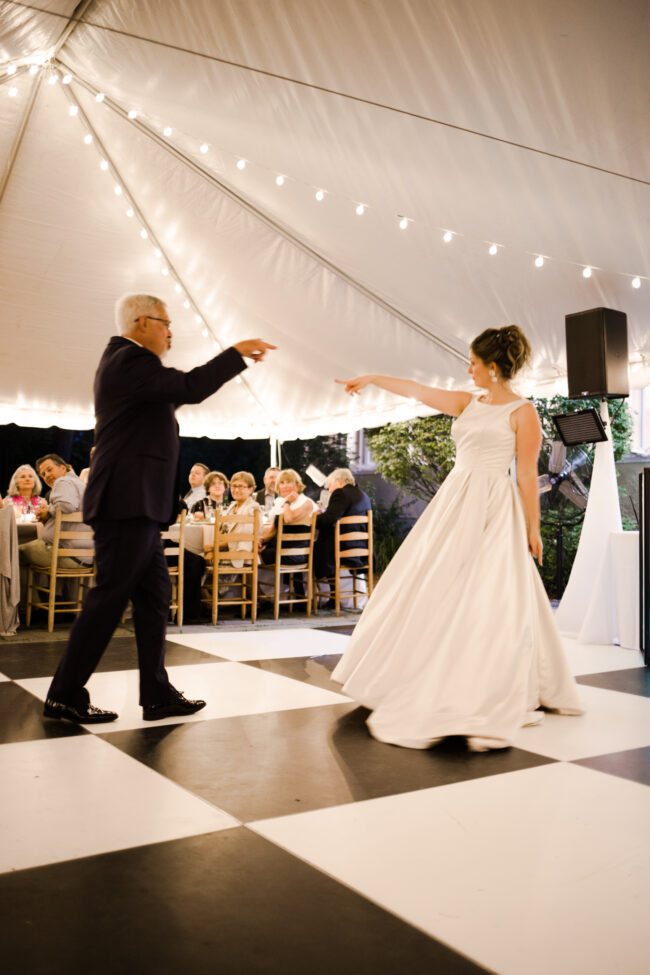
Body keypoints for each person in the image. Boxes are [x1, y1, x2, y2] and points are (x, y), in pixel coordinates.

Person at [331, 324, 583, 752]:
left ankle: (482, 681)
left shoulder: (523, 412)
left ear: (493, 367)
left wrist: (532, 526)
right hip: (455, 500)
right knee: (436, 582)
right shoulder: (469, 402)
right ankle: (422, 668)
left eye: (474, 362)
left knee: (488, 591)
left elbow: (525, 475)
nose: (468, 369)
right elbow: (416, 390)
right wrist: (372, 377)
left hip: (493, 505)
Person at [43, 293, 275, 724]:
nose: (171, 332)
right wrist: (235, 354)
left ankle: (157, 692)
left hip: (137, 504)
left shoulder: (130, 366)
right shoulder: (130, 362)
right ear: (140, 321)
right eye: (166, 323)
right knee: (109, 598)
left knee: (153, 599)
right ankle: (64, 694)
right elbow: (189, 387)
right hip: (126, 503)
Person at [18, 455, 92, 570]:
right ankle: (51, 588)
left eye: (49, 470)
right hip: (85, 557)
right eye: (43, 474)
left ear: (63, 468)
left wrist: (48, 511)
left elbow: (66, 506)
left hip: (66, 555)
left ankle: (23, 589)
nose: (46, 475)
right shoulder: (79, 484)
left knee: (13, 553)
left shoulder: (62, 481)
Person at [313, 468, 372, 579]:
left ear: (339, 481)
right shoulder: (364, 495)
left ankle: (328, 592)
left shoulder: (340, 493)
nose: (329, 491)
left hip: (342, 549)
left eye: (330, 486)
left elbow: (328, 520)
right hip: (362, 549)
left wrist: (314, 518)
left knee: (311, 549)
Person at [259, 468, 318, 565]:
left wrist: (287, 502)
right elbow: (273, 530)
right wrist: (261, 540)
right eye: (282, 483)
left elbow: (288, 519)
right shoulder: (280, 502)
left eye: (289, 482)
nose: (285, 486)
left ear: (297, 485)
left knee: (250, 557)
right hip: (279, 550)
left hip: (295, 553)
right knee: (251, 550)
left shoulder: (307, 502)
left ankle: (245, 580)